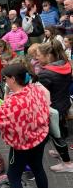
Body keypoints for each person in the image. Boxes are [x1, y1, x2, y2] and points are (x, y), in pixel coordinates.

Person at [0, 64, 49, 188]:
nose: (4, 81)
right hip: (40, 137)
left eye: (5, 78)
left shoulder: (13, 102)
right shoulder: (35, 89)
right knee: (38, 168)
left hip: (23, 145)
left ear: (12, 79)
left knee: (13, 177)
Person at [37, 40, 73, 172]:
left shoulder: (45, 73)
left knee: (56, 135)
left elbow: (42, 96)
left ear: (48, 56)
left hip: (53, 108)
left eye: (39, 55)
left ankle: (68, 164)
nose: (37, 58)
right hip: (64, 103)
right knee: (62, 130)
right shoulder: (66, 64)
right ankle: (61, 153)